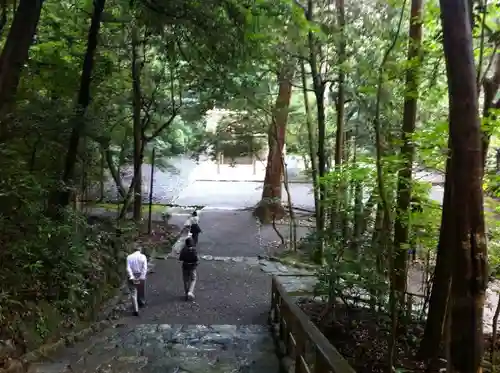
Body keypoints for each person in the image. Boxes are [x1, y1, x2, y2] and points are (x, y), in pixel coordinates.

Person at [126, 246, 148, 316]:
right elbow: (145, 268)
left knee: (133, 292)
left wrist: (131, 276)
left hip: (132, 275)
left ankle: (136, 309)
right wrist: (142, 277)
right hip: (140, 274)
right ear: (140, 249)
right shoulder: (143, 256)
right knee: (141, 289)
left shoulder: (129, 257)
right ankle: (141, 302)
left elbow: (128, 268)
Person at [179, 237, 198, 301]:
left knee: (185, 280)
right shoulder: (194, 250)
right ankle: (190, 291)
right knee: (193, 279)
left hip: (185, 266)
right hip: (192, 266)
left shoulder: (183, 249)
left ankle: (186, 293)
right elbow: (196, 259)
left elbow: (180, 258)